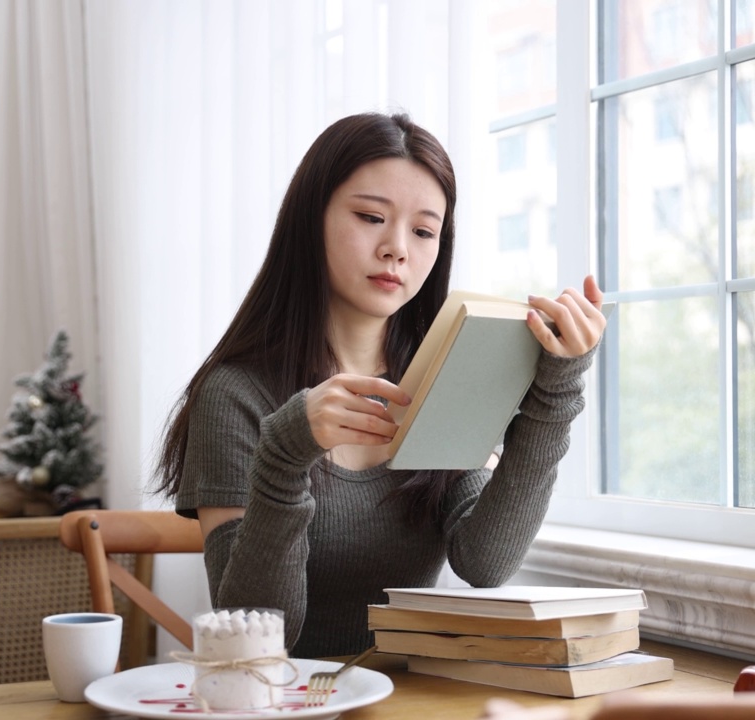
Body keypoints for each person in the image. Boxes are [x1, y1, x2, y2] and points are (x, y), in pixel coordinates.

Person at [154, 111, 607, 658]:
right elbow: (257, 636)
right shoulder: (234, 395)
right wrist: (285, 453)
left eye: (423, 231)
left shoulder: (441, 377)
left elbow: (485, 563)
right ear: (310, 219)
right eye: (371, 217)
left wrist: (555, 394)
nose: (397, 248)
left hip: (416, 702)